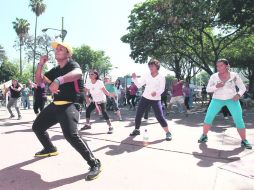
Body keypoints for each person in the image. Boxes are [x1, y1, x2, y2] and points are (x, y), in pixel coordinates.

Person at [32, 41, 101, 180]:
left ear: (68, 53)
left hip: (71, 104)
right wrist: (40, 64)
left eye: (61, 49)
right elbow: (38, 80)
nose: (57, 51)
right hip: (56, 104)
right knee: (37, 127)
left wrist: (59, 80)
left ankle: (94, 163)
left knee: (70, 134)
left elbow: (78, 73)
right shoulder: (55, 69)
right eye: (56, 49)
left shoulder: (72, 65)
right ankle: (50, 148)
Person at [198, 59, 252, 149]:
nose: (218, 68)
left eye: (221, 65)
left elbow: (242, 88)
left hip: (232, 100)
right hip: (216, 99)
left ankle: (244, 140)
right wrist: (216, 86)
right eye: (217, 66)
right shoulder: (214, 76)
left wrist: (238, 95)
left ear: (227, 66)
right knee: (208, 117)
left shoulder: (234, 76)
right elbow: (208, 89)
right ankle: (204, 135)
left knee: (239, 119)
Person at [129, 59, 172, 141]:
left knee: (159, 116)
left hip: (156, 99)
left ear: (157, 67)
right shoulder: (146, 75)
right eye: (149, 66)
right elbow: (139, 85)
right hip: (145, 97)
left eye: (152, 65)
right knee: (138, 114)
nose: (150, 67)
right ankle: (137, 130)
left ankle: (168, 133)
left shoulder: (161, 77)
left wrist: (156, 92)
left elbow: (162, 89)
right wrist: (134, 79)